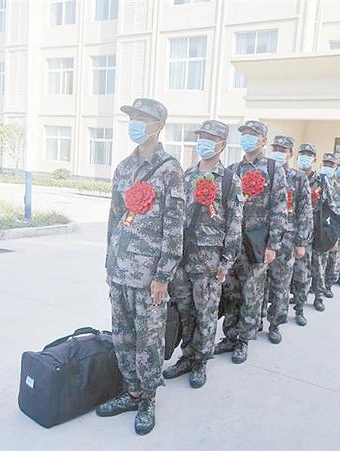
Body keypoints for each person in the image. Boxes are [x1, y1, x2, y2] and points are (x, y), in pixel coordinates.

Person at [98, 98, 185, 435]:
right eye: (132, 117)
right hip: (121, 269)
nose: (134, 123)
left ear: (158, 126)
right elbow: (115, 218)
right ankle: (132, 392)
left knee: (148, 341)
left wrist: (163, 275)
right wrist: (110, 263)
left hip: (149, 276)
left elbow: (174, 228)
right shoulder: (123, 167)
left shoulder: (170, 169)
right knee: (123, 336)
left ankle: (148, 398)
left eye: (141, 118)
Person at [163, 120, 243, 388]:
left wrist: (226, 261)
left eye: (210, 138)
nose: (203, 142)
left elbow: (235, 223)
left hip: (209, 261)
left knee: (206, 312)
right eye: (201, 137)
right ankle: (186, 356)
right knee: (184, 310)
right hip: (183, 257)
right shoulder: (186, 175)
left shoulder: (230, 180)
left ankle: (200, 361)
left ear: (222, 144)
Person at [216, 120, 287, 364]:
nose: (247, 137)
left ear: (263, 140)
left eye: (252, 134)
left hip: (257, 242)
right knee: (231, 290)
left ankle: (243, 339)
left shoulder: (273, 169)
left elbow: (279, 210)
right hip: (233, 242)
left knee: (252, 292)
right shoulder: (234, 169)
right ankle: (229, 335)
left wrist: (273, 245)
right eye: (244, 133)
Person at [262, 136, 312, 339]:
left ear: (291, 154)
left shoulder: (298, 178)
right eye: (275, 148)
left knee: (280, 284)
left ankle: (275, 324)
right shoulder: (264, 172)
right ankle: (256, 319)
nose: (278, 152)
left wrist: (301, 242)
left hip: (287, 240)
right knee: (258, 283)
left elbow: (305, 212)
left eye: (283, 150)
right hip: (261, 237)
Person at [300, 144, 340, 312]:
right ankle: (300, 300)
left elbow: (338, 210)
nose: (327, 166)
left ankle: (319, 296)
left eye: (331, 164)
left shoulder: (323, 182)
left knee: (319, 266)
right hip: (301, 232)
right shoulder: (296, 177)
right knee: (302, 269)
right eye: (302, 154)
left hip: (321, 230)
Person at [322, 154, 340, 297]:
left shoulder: (339, 189)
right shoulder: (315, 182)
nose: (327, 167)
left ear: (336, 168)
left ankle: (327, 287)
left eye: (331, 165)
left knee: (330, 260)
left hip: (331, 229)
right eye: (325, 163)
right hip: (316, 229)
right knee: (315, 263)